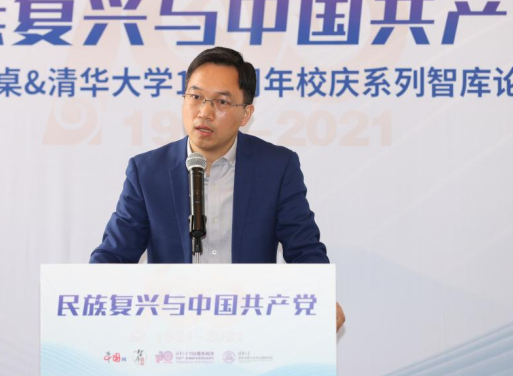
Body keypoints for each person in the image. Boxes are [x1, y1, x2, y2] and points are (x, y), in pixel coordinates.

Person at [90, 47, 345, 331]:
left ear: (246, 113)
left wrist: (320, 295)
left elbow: (304, 249)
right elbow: (115, 255)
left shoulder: (276, 167)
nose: (204, 112)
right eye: (195, 97)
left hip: (251, 328)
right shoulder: (148, 171)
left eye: (222, 102)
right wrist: (85, 295)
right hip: (170, 330)